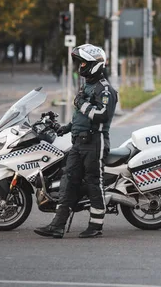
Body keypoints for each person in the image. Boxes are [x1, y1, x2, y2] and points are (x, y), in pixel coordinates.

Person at [35, 44, 117, 239]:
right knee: (68, 181)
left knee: (92, 183)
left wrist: (81, 103)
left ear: (95, 65)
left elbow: (101, 116)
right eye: (80, 62)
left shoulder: (105, 90)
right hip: (78, 143)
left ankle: (96, 225)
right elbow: (81, 117)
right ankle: (57, 226)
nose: (80, 66)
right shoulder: (87, 85)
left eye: (84, 63)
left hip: (95, 143)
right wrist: (66, 128)